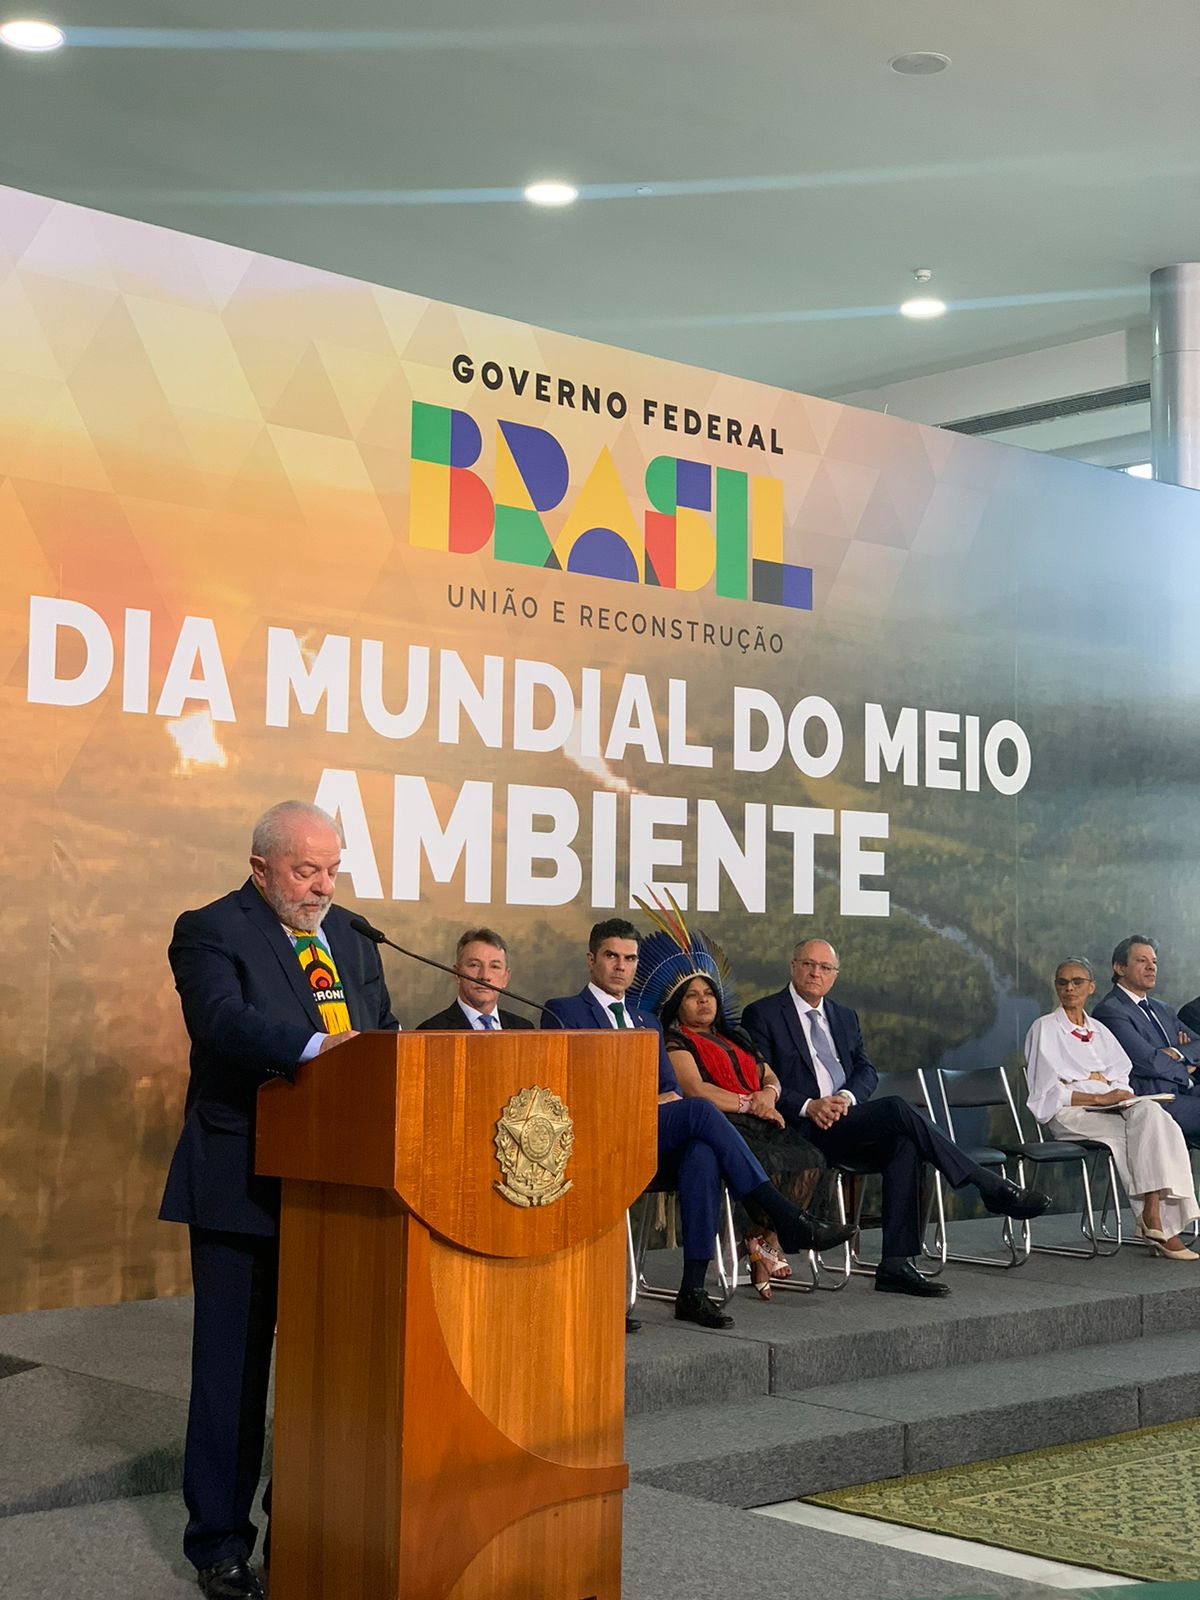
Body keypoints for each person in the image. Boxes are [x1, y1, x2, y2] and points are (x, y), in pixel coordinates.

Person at [160, 800, 399, 1599]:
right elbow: (221, 1022)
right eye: (305, 871)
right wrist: (316, 1051)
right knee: (232, 1374)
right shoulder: (210, 927)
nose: (322, 885)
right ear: (261, 866)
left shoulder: (355, 935)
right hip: (242, 1182)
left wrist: (372, 1058)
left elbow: (383, 1032)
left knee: (323, 1374)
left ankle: (305, 1525)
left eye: (331, 869)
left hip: (343, 1190)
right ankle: (221, 1546)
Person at [545, 918, 856, 1329]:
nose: (621, 966)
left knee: (703, 1154)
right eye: (611, 956)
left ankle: (692, 1290)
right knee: (702, 1111)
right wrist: (639, 1100)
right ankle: (784, 1215)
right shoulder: (562, 1011)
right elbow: (564, 1087)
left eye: (629, 958)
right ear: (591, 960)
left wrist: (648, 1099)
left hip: (651, 1132)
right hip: (599, 1133)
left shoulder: (646, 1021)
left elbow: (670, 1088)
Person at [742, 938, 1052, 1298]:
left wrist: (845, 1097)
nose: (816, 973)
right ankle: (986, 1183)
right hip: (800, 1128)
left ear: (835, 976)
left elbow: (866, 1070)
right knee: (898, 1109)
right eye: (808, 964)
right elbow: (758, 1077)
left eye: (825, 968)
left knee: (904, 1144)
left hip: (846, 1117)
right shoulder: (762, 1013)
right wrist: (809, 1105)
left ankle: (895, 1264)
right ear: (793, 966)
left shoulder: (843, 1016)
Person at [1024, 958, 1198, 1259]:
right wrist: (1097, 1095)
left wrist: (1106, 1091)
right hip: (1072, 1114)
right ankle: (1158, 1223)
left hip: (1114, 1107)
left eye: (1077, 982)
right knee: (1133, 1136)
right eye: (1062, 982)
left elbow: (1121, 1075)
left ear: (1091, 988)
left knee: (1157, 1118)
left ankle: (1153, 1213)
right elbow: (1046, 1092)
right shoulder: (1045, 1028)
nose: (1069, 988)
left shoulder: (1100, 1030)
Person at [1092, 936, 1200, 1148]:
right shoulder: (1110, 1011)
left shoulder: (1163, 1009)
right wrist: (1184, 1069)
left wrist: (1176, 1053)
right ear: (1119, 968)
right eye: (1142, 961)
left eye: (1154, 962)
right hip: (1153, 1100)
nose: (1151, 967)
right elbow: (1147, 1061)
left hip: (1184, 1093)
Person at [415, 927, 535, 1031]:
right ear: (457, 974)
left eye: (494, 966)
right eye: (474, 965)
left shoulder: (524, 1029)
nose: (484, 976)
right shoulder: (431, 1031)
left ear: (506, 978)